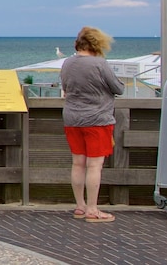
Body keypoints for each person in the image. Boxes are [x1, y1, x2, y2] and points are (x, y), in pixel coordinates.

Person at [60, 26, 124, 223]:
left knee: (78, 163)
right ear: (97, 44)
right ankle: (92, 209)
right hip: (97, 120)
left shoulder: (67, 63)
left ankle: (80, 206)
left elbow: (65, 86)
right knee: (94, 165)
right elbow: (118, 88)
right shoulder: (99, 64)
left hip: (72, 119)